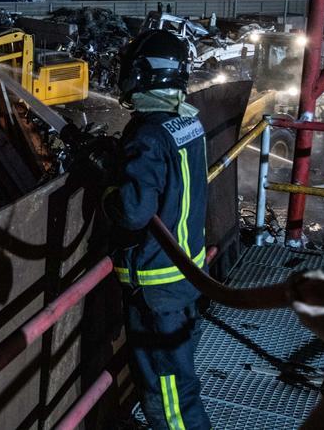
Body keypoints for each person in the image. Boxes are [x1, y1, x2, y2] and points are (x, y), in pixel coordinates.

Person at [105, 29, 211, 429]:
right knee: (180, 379)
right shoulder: (187, 124)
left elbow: (133, 211)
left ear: (147, 74)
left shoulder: (147, 135)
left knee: (169, 396)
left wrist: (107, 189)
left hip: (156, 286)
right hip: (186, 276)